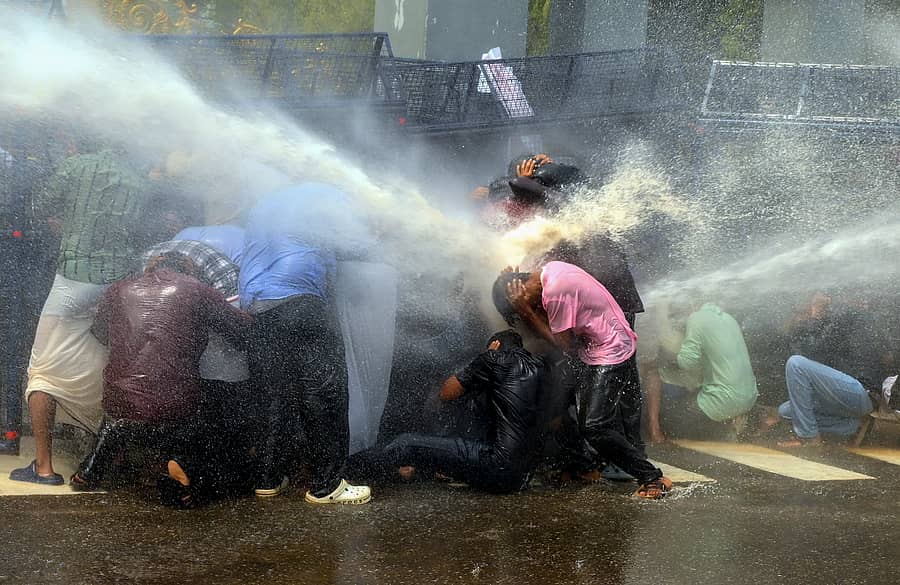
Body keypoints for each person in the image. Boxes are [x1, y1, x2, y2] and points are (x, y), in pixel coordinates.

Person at [10, 149, 153, 486]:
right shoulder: (135, 176)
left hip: (75, 279)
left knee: (42, 368)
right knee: (101, 359)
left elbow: (38, 208)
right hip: (117, 282)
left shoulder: (75, 164)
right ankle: (110, 448)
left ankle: (43, 468)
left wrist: (65, 219)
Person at [70, 252, 253, 507]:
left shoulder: (119, 288)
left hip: (119, 404)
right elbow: (242, 331)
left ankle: (89, 471)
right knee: (217, 419)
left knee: (123, 399)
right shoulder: (196, 289)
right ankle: (184, 464)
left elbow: (100, 333)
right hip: (174, 409)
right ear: (188, 271)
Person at [240, 183, 372, 504]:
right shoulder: (331, 194)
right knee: (325, 392)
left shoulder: (264, 202)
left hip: (259, 306)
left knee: (277, 394)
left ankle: (269, 478)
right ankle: (328, 485)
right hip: (301, 298)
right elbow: (357, 242)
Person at [496, 261, 672, 499]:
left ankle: (652, 477)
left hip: (610, 349)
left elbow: (564, 346)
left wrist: (526, 312)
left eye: (519, 307)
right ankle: (591, 464)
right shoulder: (549, 271)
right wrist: (507, 284)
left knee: (594, 426)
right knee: (559, 406)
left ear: (522, 291)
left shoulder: (554, 292)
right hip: (601, 343)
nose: (532, 309)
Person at [356, 330, 544, 493]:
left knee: (406, 443)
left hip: (497, 468)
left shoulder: (493, 359)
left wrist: (486, 356)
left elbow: (446, 393)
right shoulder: (540, 367)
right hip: (522, 477)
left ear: (496, 345)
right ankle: (424, 469)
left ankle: (347, 469)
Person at [768, 293, 890, 447]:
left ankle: (809, 437)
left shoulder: (845, 315)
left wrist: (816, 314)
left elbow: (810, 351)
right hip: (860, 398)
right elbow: (888, 356)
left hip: (860, 391)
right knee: (786, 411)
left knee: (796, 364)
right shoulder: (862, 317)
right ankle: (851, 425)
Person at [657, 301, 758, 439]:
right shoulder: (729, 318)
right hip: (749, 397)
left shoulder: (696, 318)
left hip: (724, 400)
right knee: (694, 396)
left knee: (669, 422)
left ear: (692, 304)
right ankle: (731, 422)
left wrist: (672, 357)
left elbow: (687, 362)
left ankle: (723, 432)